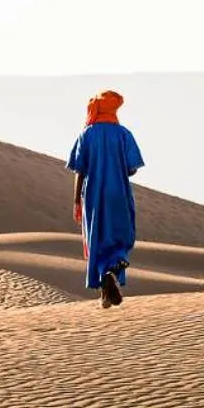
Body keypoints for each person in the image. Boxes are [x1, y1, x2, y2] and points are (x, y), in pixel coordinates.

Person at [69, 89, 145, 308]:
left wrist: (76, 201)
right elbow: (132, 169)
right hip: (118, 193)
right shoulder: (123, 134)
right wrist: (116, 166)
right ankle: (109, 278)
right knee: (121, 235)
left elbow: (79, 170)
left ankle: (105, 278)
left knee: (97, 240)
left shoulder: (87, 134)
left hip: (93, 195)